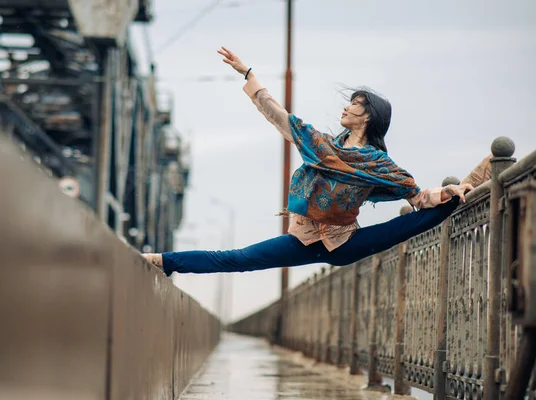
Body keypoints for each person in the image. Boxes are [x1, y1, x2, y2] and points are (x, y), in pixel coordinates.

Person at [143, 46, 481, 277]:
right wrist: (249, 75)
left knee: (410, 223)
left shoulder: (378, 163)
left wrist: (449, 191)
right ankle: (162, 261)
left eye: (356, 104)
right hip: (303, 240)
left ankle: (471, 187)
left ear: (368, 116)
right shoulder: (319, 145)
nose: (347, 107)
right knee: (237, 258)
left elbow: (418, 197)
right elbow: (279, 116)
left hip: (345, 243)